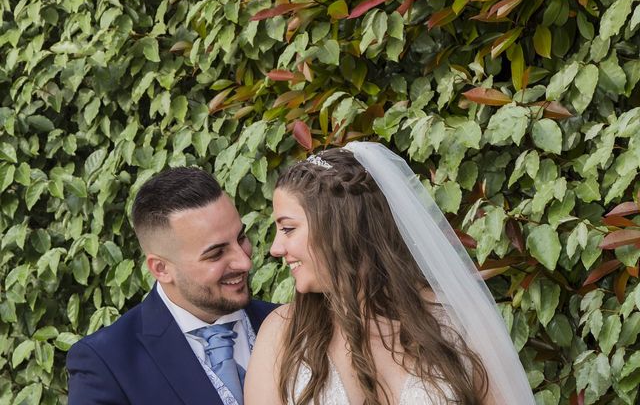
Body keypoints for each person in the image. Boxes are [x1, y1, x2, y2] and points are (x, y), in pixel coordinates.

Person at [245, 142, 535, 404]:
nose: (275, 248)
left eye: (288, 229)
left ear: (341, 229)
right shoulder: (282, 335)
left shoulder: (460, 323)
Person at [67, 167, 277, 405]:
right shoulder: (106, 363)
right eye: (216, 254)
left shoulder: (293, 323)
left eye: (241, 238)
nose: (245, 261)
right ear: (161, 269)